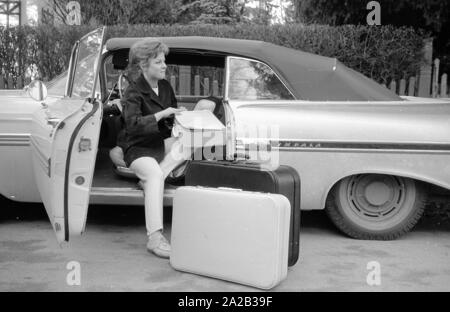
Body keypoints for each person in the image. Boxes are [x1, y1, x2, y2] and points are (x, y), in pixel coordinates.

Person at [117, 39, 215, 258]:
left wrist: (182, 118)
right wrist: (162, 114)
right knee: (153, 174)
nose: (164, 66)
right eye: (158, 62)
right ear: (143, 65)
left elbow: (170, 121)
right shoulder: (133, 91)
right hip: (137, 148)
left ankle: (152, 182)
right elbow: (132, 126)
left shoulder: (165, 86)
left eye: (164, 61)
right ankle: (155, 237)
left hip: (159, 144)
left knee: (197, 141)